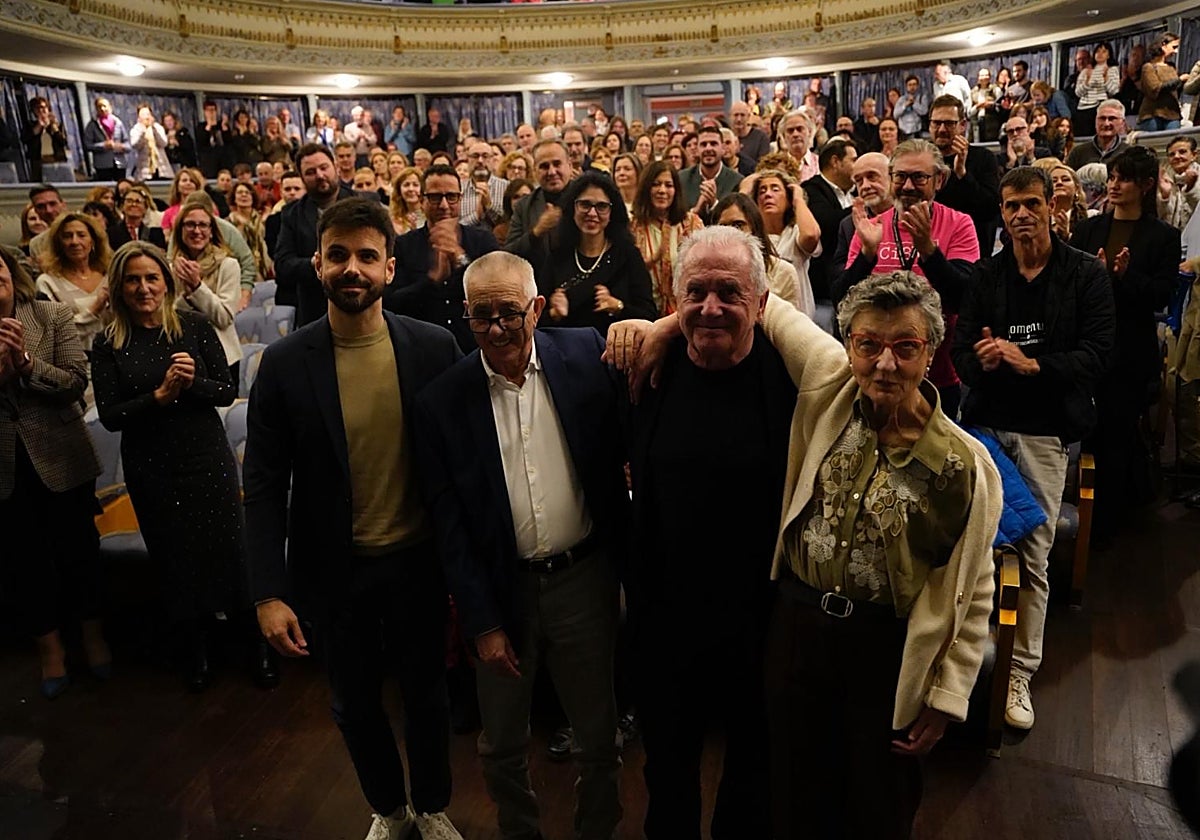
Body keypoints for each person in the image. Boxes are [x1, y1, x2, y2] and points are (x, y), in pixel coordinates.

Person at [243, 197, 464, 840]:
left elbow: (464, 460)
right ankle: (389, 812)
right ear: (317, 263)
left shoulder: (433, 347)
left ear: (391, 268)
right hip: (334, 573)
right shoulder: (285, 364)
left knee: (427, 698)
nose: (352, 268)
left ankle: (430, 805)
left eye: (368, 256)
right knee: (355, 705)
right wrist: (267, 591)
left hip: (418, 563)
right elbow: (261, 484)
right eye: (338, 254)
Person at [415, 250, 627, 840]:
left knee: (597, 737)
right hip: (501, 591)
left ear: (536, 308)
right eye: (482, 316)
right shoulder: (442, 402)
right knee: (502, 744)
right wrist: (481, 623)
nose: (498, 329)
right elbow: (450, 528)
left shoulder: (588, 353)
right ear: (465, 314)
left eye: (511, 312)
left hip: (583, 579)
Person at [952, 165, 1116, 736]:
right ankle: (971, 657)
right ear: (1001, 212)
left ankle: (1020, 669)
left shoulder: (1083, 274)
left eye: (1030, 203)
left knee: (1036, 549)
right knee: (977, 549)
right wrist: (986, 360)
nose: (1021, 214)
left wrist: (1034, 363)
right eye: (1011, 206)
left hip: (1048, 430)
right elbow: (961, 350)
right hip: (989, 425)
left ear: (1050, 206)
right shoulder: (988, 276)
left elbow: (1099, 354)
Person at [91, 241, 243, 691]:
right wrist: (157, 399)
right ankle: (194, 649)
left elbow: (227, 391)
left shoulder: (193, 325)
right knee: (175, 558)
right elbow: (111, 414)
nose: (143, 288)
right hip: (151, 461)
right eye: (133, 279)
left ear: (166, 282)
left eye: (151, 278)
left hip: (205, 456)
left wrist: (193, 382)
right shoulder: (109, 340)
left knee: (227, 552)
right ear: (120, 286)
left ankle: (248, 643)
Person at [0, 247, 110, 700]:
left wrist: (26, 364)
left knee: (78, 552)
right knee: (22, 561)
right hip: (5, 464)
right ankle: (49, 649)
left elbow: (75, 384)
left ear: (10, 273)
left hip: (60, 456)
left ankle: (93, 635)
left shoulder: (50, 315)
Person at [1071, 147, 1181, 538]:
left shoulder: (1163, 237)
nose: (1114, 185)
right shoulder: (1089, 229)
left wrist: (1122, 277)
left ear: (1146, 185)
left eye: (1124, 178)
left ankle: (1104, 526)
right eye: (1112, 177)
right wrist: (1097, 279)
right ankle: (1083, 516)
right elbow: (1071, 284)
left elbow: (1161, 296)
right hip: (1086, 347)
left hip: (1129, 352)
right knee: (1086, 434)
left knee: (1115, 438)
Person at [837, 138, 979, 418]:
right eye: (901, 176)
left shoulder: (959, 224)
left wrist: (928, 248)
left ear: (939, 180)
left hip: (937, 377)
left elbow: (962, 299)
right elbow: (842, 299)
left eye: (919, 177)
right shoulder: (871, 227)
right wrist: (867, 254)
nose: (909, 186)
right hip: (875, 374)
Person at [385, 163, 500, 352]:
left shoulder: (483, 240)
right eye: (435, 197)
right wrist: (432, 281)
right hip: (422, 350)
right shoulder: (403, 246)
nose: (444, 205)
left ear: (460, 199)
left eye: (451, 197)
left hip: (475, 349)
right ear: (422, 200)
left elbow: (497, 291)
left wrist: (461, 258)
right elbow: (392, 303)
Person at [538, 171, 656, 335]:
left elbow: (649, 316)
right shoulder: (557, 255)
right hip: (564, 352)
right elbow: (534, 320)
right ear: (573, 208)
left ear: (611, 212)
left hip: (615, 352)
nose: (592, 214)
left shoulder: (628, 255)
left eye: (601, 206)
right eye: (585, 205)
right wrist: (554, 314)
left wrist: (618, 307)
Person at [275, 143, 356, 324]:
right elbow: (283, 265)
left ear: (335, 167)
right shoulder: (292, 214)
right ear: (302, 178)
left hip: (361, 304)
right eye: (310, 172)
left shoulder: (364, 203)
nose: (319, 175)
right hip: (315, 311)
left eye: (324, 168)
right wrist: (315, 263)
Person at [168, 195, 244, 379]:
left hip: (222, 356)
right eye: (190, 225)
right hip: (180, 358)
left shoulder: (228, 265)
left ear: (211, 231)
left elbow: (224, 317)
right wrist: (186, 297)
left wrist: (196, 288)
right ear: (180, 230)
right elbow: (167, 315)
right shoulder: (170, 268)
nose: (196, 231)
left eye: (203, 225)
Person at [740, 169, 820, 315]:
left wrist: (798, 199)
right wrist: (744, 193)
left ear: (788, 200)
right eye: (762, 191)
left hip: (798, 318)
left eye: (775, 189)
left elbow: (811, 236)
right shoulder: (749, 236)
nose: (768, 194)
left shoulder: (795, 232)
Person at [928, 94, 1001, 252]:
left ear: (962, 125)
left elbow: (991, 209)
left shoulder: (984, 158)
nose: (941, 129)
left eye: (949, 123)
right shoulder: (922, 161)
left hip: (973, 253)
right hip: (929, 251)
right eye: (936, 123)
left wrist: (962, 173)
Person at [632, 160, 705, 315]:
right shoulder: (632, 227)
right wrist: (653, 259)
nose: (662, 190)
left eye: (668, 185)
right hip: (644, 313)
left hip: (684, 313)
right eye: (656, 184)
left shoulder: (691, 224)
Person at [34, 212, 113, 353]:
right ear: (59, 243)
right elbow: (53, 335)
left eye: (81, 235)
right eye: (67, 236)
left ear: (93, 240)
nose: (74, 242)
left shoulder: (109, 276)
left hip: (112, 357)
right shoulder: (47, 283)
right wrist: (94, 310)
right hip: (72, 360)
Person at [712, 192, 802, 307]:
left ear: (754, 228)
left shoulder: (783, 273)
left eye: (738, 225)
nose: (731, 233)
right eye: (723, 227)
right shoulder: (704, 272)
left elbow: (790, 323)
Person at [802, 137, 857, 306]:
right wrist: (862, 208)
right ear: (835, 162)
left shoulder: (851, 193)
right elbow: (826, 225)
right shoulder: (812, 189)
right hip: (824, 291)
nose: (858, 165)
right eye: (853, 160)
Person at [504, 139, 575, 266]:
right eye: (544, 166)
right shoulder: (524, 206)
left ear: (570, 166)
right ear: (535, 171)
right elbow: (508, 254)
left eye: (557, 164)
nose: (552, 172)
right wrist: (537, 231)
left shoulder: (587, 198)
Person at [226, 182, 272, 285]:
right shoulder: (228, 223)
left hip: (264, 268)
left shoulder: (263, 221)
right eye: (240, 192)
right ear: (234, 198)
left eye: (247, 192)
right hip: (240, 271)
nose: (244, 195)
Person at [1138, 33, 1187, 132]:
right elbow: (1154, 89)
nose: (1175, 51)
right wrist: (1179, 80)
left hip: (1172, 114)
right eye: (1174, 47)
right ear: (1163, 45)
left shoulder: (1171, 67)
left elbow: (1176, 91)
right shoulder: (1148, 67)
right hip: (1153, 114)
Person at [1065, 99, 1128, 170]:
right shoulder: (1078, 152)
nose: (1106, 123)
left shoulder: (1129, 153)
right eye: (1102, 118)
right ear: (1095, 120)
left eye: (1112, 118)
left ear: (1122, 123)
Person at [1159, 136, 1200, 230]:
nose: (1176, 156)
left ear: (1194, 155)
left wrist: (1191, 188)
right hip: (1171, 239)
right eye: (1172, 154)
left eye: (1182, 152)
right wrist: (1164, 198)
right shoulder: (1164, 180)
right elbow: (1160, 216)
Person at [23, 97, 69, 183]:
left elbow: (63, 142)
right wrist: (39, 125)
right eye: (38, 108)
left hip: (57, 160)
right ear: (33, 111)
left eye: (44, 107)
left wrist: (54, 128)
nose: (41, 110)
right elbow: (25, 139)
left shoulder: (57, 125)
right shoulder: (30, 125)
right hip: (38, 161)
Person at [84, 98, 129, 182]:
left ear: (110, 107)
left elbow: (128, 145)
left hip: (120, 164)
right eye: (99, 107)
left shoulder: (118, 123)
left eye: (104, 106)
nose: (102, 109)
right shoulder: (92, 125)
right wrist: (103, 145)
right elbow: (87, 145)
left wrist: (122, 146)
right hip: (102, 166)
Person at [129, 105, 173, 182]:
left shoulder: (158, 127)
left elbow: (163, 143)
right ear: (139, 118)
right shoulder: (136, 129)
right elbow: (135, 145)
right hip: (144, 171)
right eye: (143, 115)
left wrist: (154, 129)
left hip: (162, 168)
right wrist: (143, 130)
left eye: (148, 114)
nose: (146, 117)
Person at [160, 168, 206, 234]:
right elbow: (166, 238)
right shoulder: (169, 213)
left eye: (192, 181)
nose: (188, 183)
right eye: (184, 180)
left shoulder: (207, 209)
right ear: (177, 186)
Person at [493, 178, 533, 245]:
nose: (520, 201)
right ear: (509, 201)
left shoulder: (541, 226)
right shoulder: (500, 231)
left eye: (525, 196)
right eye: (516, 197)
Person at [388, 165, 425, 235]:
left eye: (415, 185)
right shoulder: (393, 220)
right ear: (399, 190)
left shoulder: (430, 217)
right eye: (406, 185)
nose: (411, 189)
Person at [969, 68, 1003, 142]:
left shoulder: (995, 89)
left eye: (986, 75)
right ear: (978, 77)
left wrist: (991, 105)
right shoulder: (973, 92)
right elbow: (969, 112)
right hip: (977, 122)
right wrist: (978, 106)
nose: (984, 77)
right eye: (982, 75)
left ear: (989, 77)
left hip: (992, 123)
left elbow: (1001, 106)